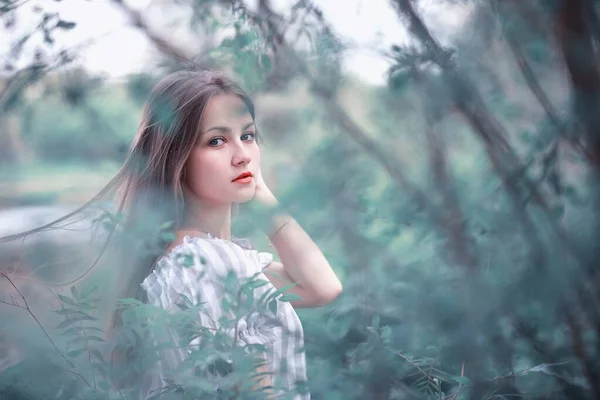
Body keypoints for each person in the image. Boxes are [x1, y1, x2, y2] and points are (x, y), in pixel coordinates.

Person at [2, 70, 342, 399]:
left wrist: (259, 189)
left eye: (248, 136)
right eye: (217, 140)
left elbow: (321, 288)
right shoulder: (212, 265)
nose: (242, 155)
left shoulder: (185, 261)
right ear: (177, 157)